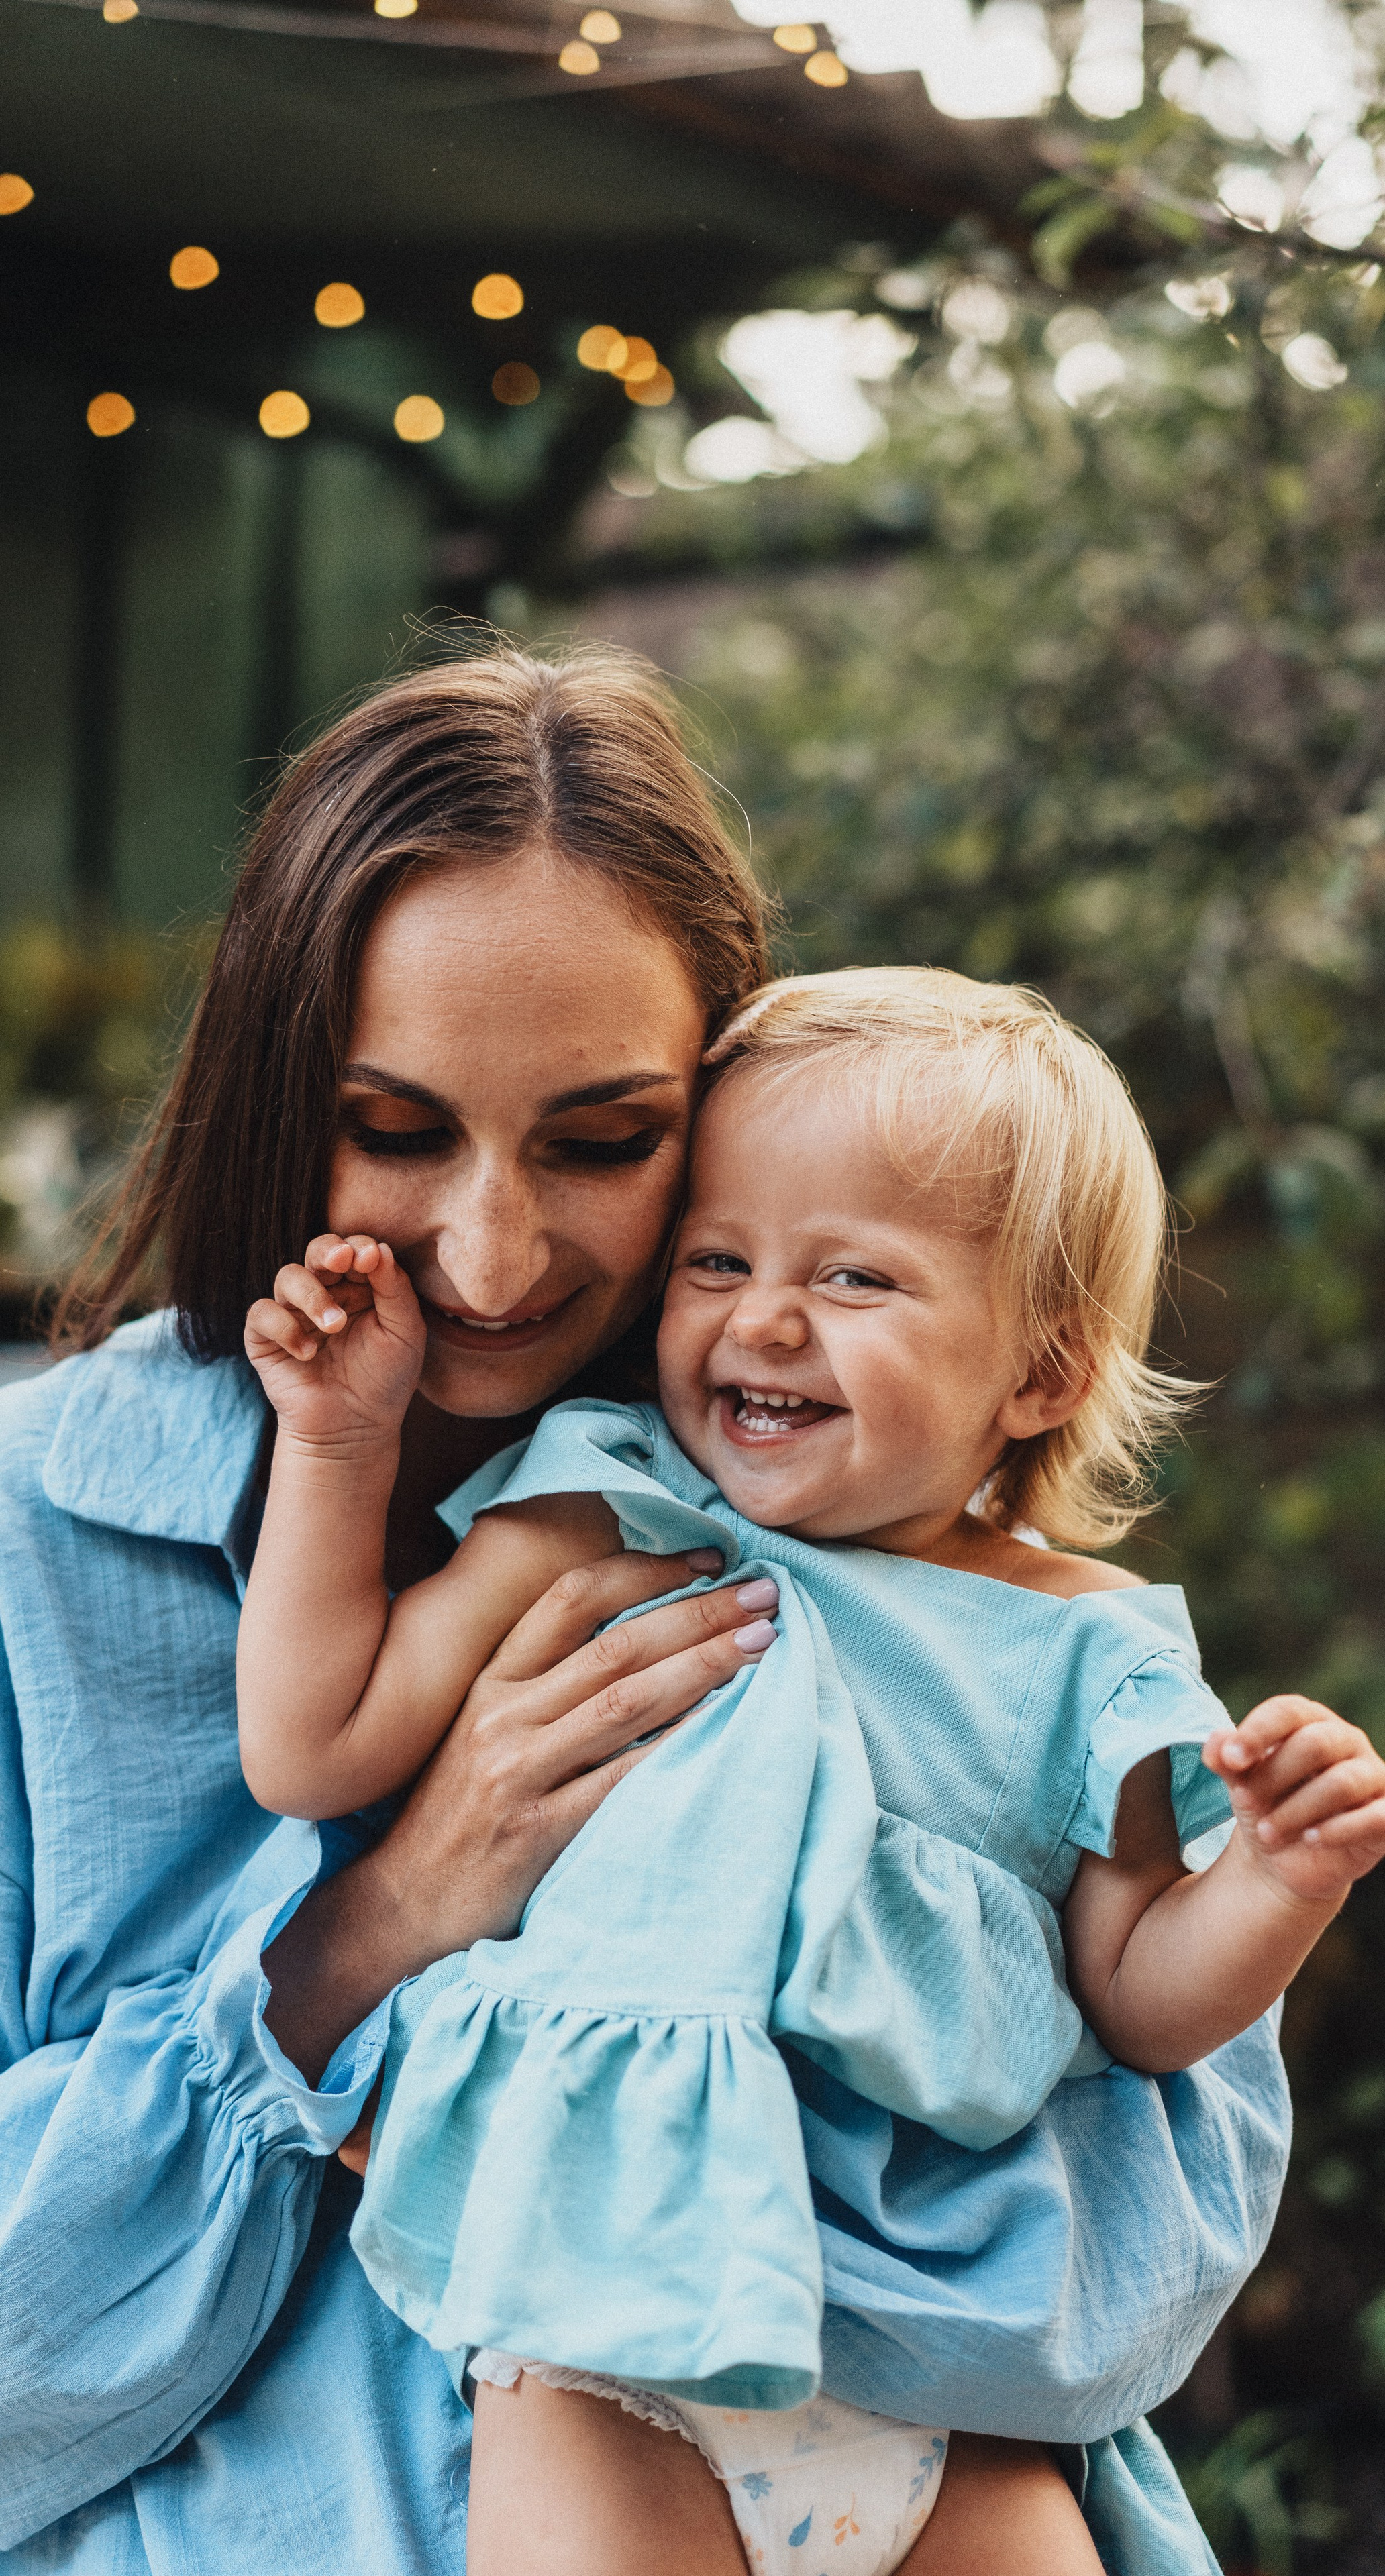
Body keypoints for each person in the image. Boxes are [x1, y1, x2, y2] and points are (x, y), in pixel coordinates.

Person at [0, 649, 1290, 2576]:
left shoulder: (908, 1551)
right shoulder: (25, 1532)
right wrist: (368, 1938)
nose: (494, 1250)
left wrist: (667, 2198)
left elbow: (1133, 2281)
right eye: (396, 1126)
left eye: (607, 1140)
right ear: (279, 1094)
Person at [237, 965, 1385, 2576]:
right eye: (716, 1260)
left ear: (1040, 1374)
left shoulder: (1091, 1651)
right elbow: (312, 1744)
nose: (759, 1318)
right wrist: (336, 1447)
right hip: (604, 2334)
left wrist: (1276, 1880)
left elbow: (1136, 1996)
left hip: (944, 2377)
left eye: (853, 1277)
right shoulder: (605, 1507)